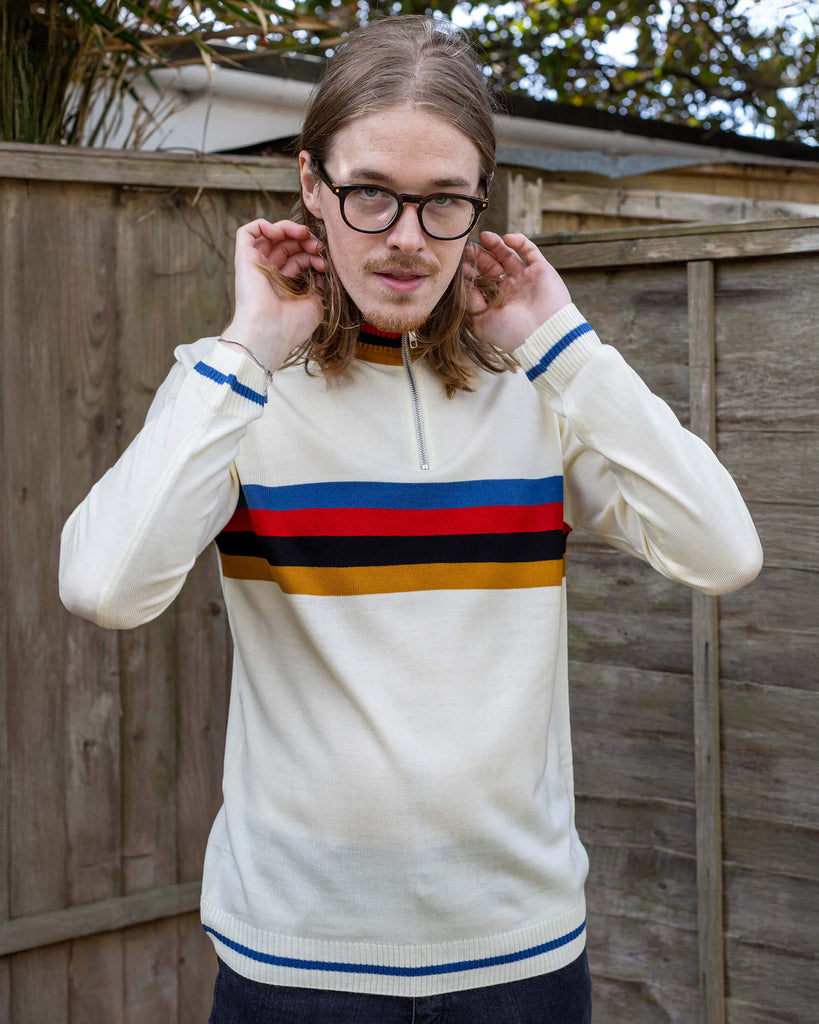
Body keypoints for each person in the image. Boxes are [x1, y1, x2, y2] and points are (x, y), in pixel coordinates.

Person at [59, 15, 762, 1024]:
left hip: (521, 957)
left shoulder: (544, 394)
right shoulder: (234, 395)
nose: (403, 236)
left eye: (444, 203)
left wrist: (564, 342)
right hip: (297, 963)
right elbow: (104, 585)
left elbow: (724, 549)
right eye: (372, 192)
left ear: (483, 202)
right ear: (312, 184)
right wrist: (249, 345)